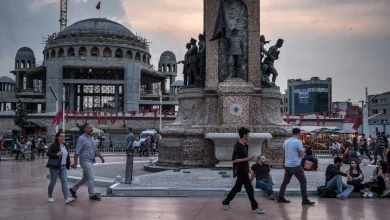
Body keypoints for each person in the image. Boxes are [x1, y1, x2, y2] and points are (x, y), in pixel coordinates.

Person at [222, 127, 265, 214]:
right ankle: (255, 207)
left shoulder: (246, 145)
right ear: (244, 135)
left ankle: (226, 202)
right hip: (240, 171)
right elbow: (234, 160)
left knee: (237, 188)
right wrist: (247, 159)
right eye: (248, 134)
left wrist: (248, 167)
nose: (249, 136)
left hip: (244, 169)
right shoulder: (237, 146)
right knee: (249, 188)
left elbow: (245, 159)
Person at [277, 128, 315, 205]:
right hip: (295, 165)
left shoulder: (286, 141)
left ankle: (280, 197)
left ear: (292, 133)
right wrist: (302, 151)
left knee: (285, 182)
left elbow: (283, 153)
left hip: (287, 165)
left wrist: (283, 163)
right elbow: (302, 155)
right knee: (303, 181)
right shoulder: (298, 142)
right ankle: (305, 199)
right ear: (299, 133)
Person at [69, 123, 105, 201]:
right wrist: (75, 163)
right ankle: (92, 194)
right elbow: (76, 152)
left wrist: (101, 157)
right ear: (85, 129)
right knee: (91, 176)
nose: (91, 129)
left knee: (85, 178)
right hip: (84, 160)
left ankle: (73, 189)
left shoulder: (92, 138)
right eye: (89, 128)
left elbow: (95, 151)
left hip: (91, 160)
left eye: (91, 128)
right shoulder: (81, 139)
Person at [46, 131, 75, 204]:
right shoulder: (54, 145)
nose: (63, 137)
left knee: (64, 182)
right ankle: (50, 196)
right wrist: (56, 154)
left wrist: (69, 162)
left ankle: (66, 198)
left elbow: (66, 155)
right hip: (55, 167)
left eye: (63, 136)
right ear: (57, 137)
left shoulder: (65, 145)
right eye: (61, 136)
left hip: (63, 167)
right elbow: (48, 154)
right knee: (53, 182)